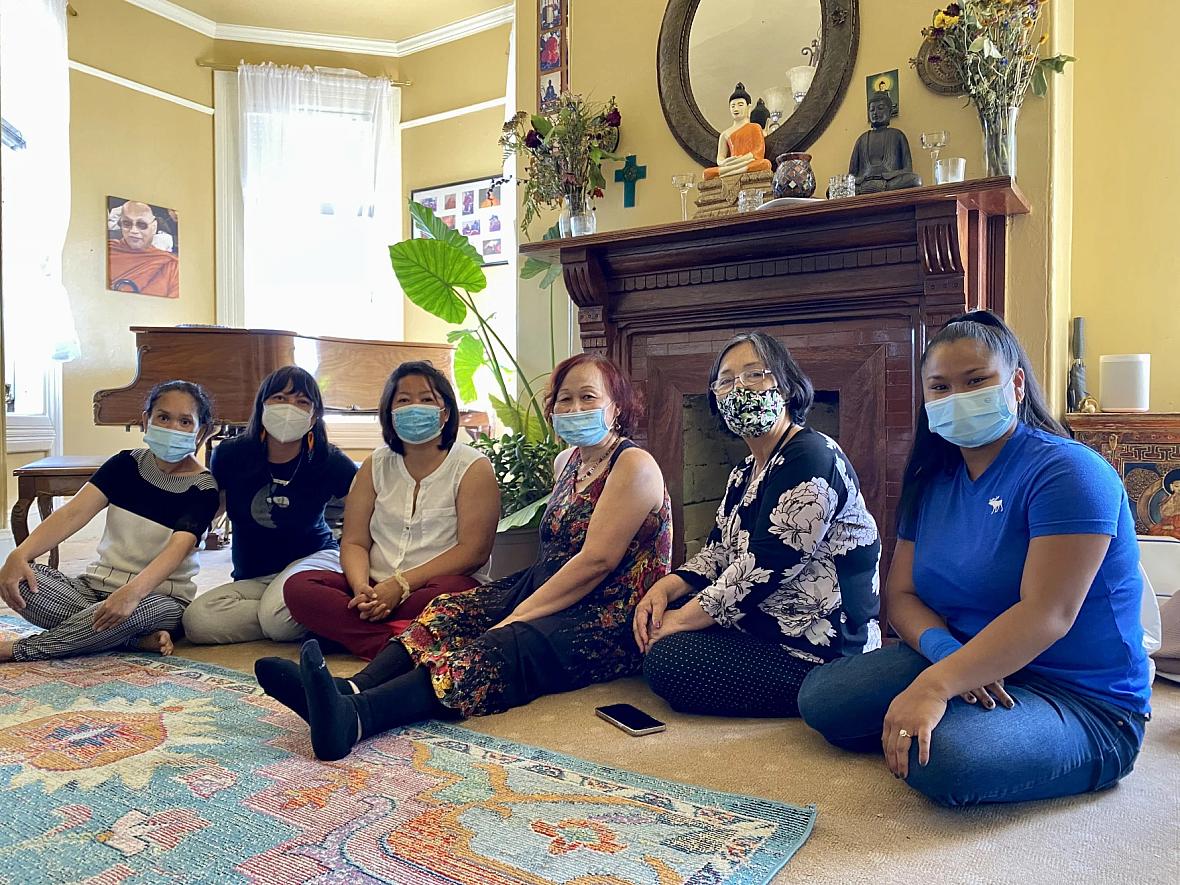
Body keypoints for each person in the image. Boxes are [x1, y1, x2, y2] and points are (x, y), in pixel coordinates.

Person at [798, 310, 1151, 806]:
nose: (957, 398)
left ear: (1017, 384)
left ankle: (1032, 738)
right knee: (824, 700)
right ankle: (970, 708)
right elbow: (900, 595)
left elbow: (1048, 613)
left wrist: (935, 687)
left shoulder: (1069, 472)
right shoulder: (933, 479)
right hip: (965, 654)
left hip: (1081, 698)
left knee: (944, 758)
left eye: (976, 381)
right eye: (939, 388)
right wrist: (947, 659)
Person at [256, 354, 672, 761]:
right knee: (450, 611)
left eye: (588, 398)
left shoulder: (633, 464)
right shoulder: (568, 461)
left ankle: (355, 719)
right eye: (565, 399)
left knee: (502, 644)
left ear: (617, 407)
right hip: (550, 581)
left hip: (609, 610)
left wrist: (518, 615)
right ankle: (351, 688)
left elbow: (596, 562)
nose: (574, 408)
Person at [635, 332, 881, 717]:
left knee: (671, 661)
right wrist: (664, 590)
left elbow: (768, 563)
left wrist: (681, 620)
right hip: (759, 624)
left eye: (754, 375)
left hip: (817, 647)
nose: (740, 389)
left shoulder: (812, 455)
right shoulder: (744, 472)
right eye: (727, 381)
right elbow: (717, 552)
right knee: (643, 620)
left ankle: (829, 690)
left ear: (784, 386)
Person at [279, 362, 499, 660]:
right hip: (374, 586)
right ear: (390, 413)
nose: (414, 407)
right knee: (299, 587)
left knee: (454, 594)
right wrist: (361, 590)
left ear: (445, 412)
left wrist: (401, 585)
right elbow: (355, 541)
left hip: (431, 588)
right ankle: (399, 645)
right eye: (404, 400)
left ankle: (355, 635)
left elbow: (473, 552)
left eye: (426, 399)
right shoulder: (375, 465)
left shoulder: (472, 466)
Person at [0, 381, 219, 661]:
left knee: (140, 610)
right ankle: (132, 641)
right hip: (93, 589)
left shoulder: (202, 489)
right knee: (20, 579)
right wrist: (20, 554)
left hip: (158, 598)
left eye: (185, 421)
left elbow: (177, 550)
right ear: (145, 420)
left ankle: (21, 650)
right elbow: (72, 514)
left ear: (200, 431)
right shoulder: (124, 465)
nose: (172, 427)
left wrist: (132, 593)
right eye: (163, 417)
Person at [182, 367, 357, 645]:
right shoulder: (231, 454)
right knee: (198, 621)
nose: (290, 408)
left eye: (302, 402)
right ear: (262, 404)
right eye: (279, 398)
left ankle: (293, 609)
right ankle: (307, 613)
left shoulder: (329, 460)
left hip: (312, 563)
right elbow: (212, 510)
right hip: (255, 577)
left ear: (314, 417)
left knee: (278, 620)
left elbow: (366, 515)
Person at [847, 91, 922, 193]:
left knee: (915, 180)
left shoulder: (897, 135)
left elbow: (907, 169)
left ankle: (875, 188)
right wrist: (861, 181)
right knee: (834, 189)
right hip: (864, 182)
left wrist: (886, 178)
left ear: (890, 112)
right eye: (872, 109)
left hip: (889, 182)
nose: (875, 113)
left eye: (880, 108)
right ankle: (868, 189)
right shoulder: (862, 139)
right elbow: (851, 175)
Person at [108, 201, 180, 298]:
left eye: (142, 225)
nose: (133, 231)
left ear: (154, 227)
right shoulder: (108, 250)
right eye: (127, 224)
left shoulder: (170, 264)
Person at [703, 83, 774, 180]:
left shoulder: (755, 127)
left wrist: (741, 159)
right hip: (731, 164)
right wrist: (725, 162)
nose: (736, 109)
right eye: (733, 106)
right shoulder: (725, 134)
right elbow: (720, 159)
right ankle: (735, 171)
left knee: (765, 164)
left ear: (748, 107)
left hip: (746, 162)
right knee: (707, 173)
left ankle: (732, 173)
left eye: (740, 105)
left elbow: (759, 151)